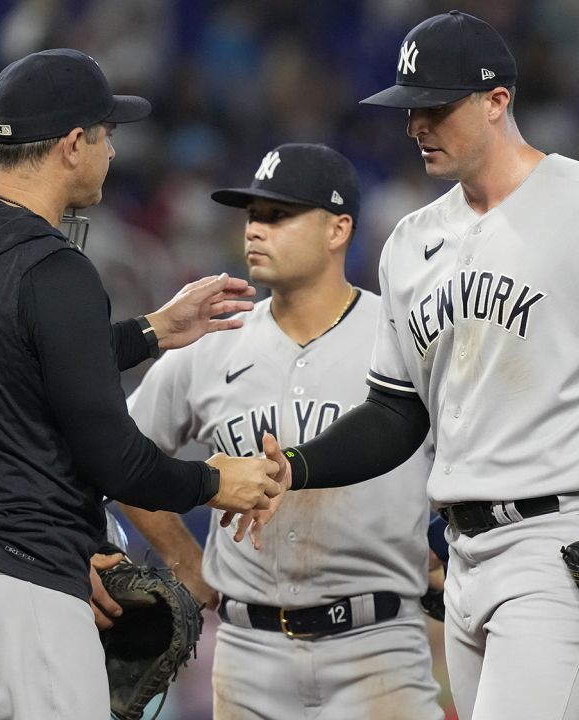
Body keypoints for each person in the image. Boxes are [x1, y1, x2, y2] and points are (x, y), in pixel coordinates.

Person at [235, 11, 579, 719]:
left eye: (436, 107)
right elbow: (396, 410)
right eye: (411, 110)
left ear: (498, 101)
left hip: (573, 542)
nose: (417, 126)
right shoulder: (411, 240)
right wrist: (298, 467)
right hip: (466, 557)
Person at [0, 49, 285, 720]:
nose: (113, 151)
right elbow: (116, 461)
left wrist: (151, 329)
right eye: (105, 133)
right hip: (10, 604)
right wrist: (214, 482)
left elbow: (16, 353)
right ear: (72, 145)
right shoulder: (53, 270)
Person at [123, 142, 443, 719]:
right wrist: (183, 559)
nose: (256, 230)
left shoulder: (399, 336)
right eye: (252, 215)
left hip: (379, 646)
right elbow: (120, 457)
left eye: (280, 215)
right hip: (248, 651)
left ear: (338, 229)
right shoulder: (212, 342)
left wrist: (444, 549)